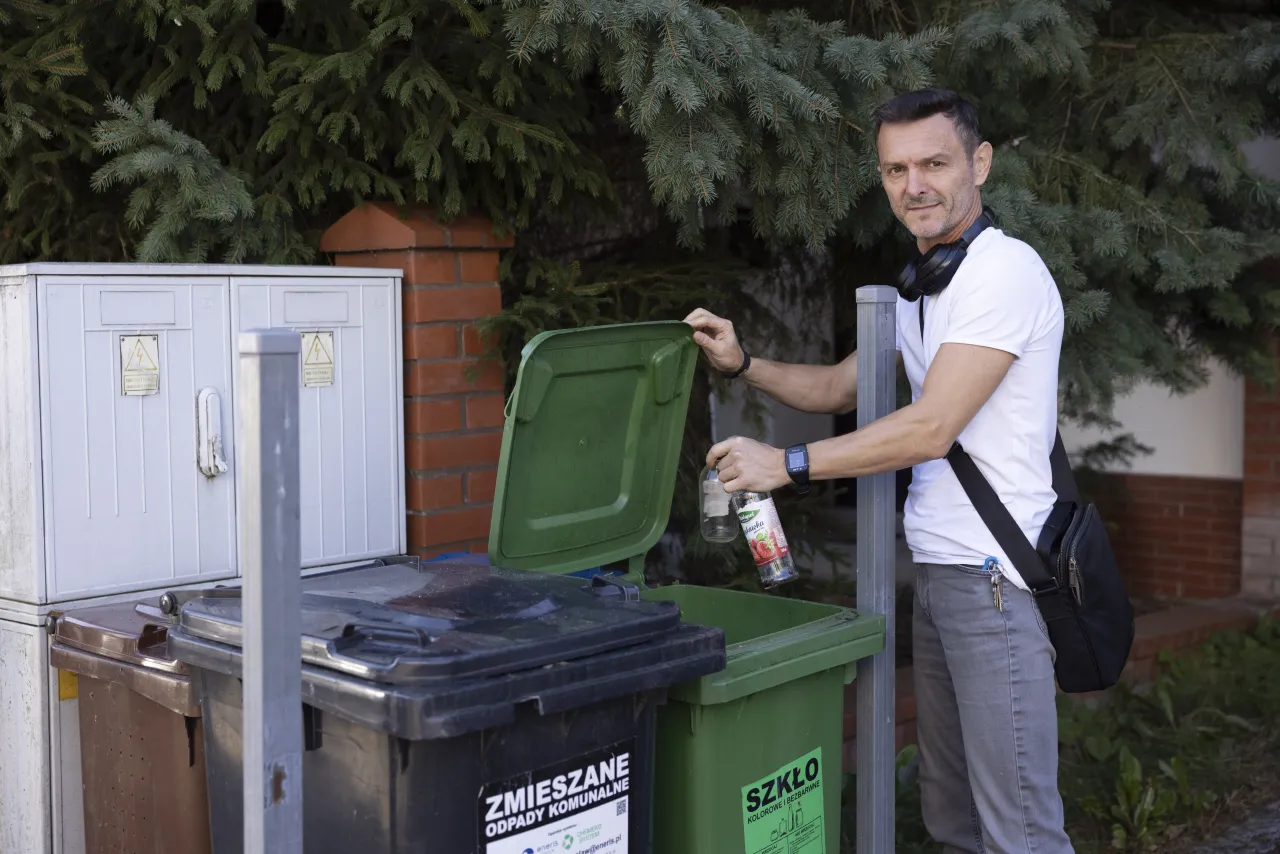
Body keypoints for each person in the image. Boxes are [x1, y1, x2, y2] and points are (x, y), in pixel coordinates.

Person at [685, 88, 1072, 854]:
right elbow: (838, 387)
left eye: (934, 163)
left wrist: (786, 463)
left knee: (1019, 830)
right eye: (896, 169)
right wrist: (745, 364)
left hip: (995, 581)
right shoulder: (926, 283)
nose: (914, 185)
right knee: (953, 821)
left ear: (980, 163)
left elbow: (931, 428)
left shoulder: (1003, 274)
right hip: (941, 576)